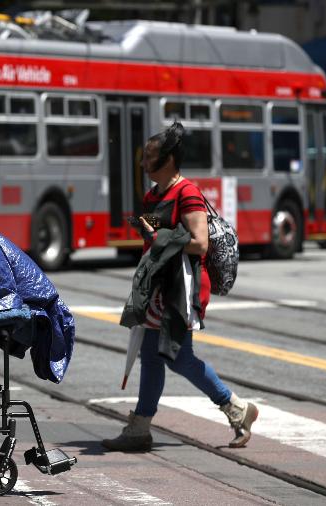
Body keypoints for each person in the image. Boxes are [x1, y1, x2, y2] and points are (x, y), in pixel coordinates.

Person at [102, 122, 258, 452]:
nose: (143, 164)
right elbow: (156, 244)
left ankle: (237, 410)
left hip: (180, 290)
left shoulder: (187, 193)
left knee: (179, 357)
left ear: (169, 160)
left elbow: (200, 244)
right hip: (157, 289)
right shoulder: (152, 195)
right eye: (143, 158)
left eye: (150, 158)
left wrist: (158, 237)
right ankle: (140, 428)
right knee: (151, 356)